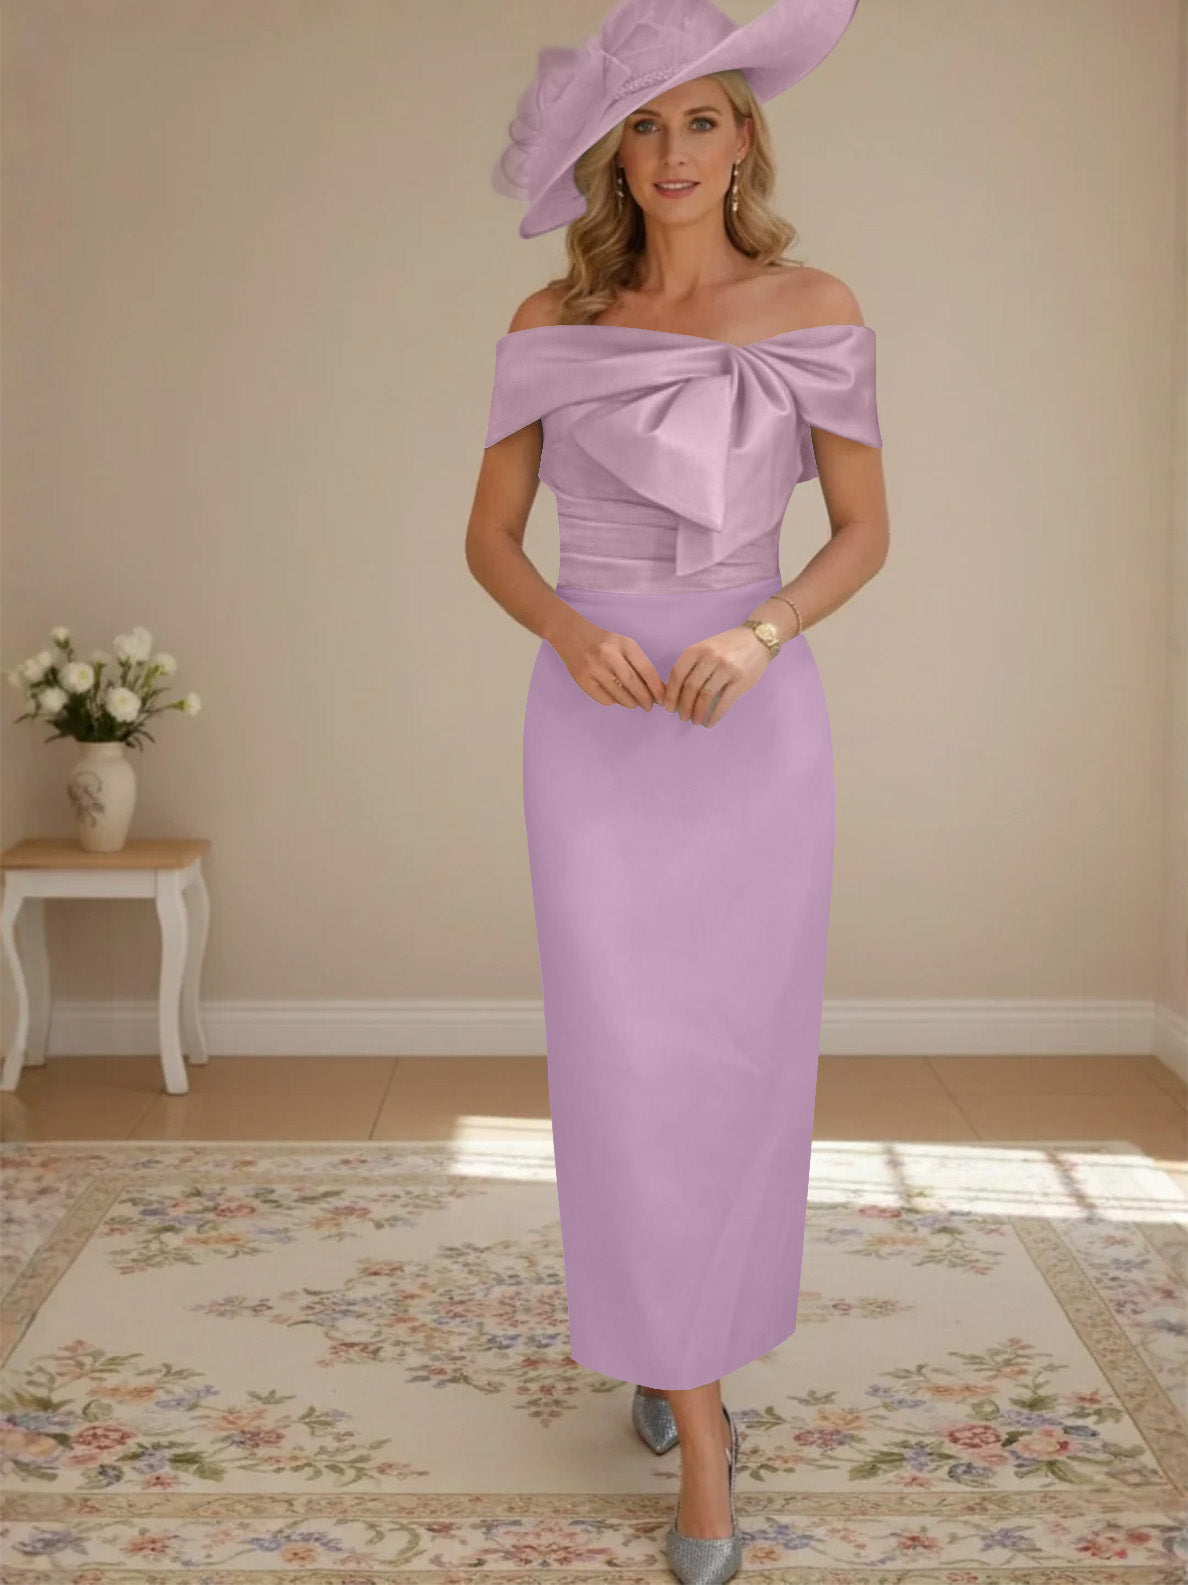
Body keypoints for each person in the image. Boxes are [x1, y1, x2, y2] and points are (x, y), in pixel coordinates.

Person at [466, 2, 888, 1580]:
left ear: (746, 136)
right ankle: (697, 1417)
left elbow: (863, 530)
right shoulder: (549, 316)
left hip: (750, 721)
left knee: (736, 1062)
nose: (672, 153)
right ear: (610, 150)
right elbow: (489, 535)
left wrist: (761, 630)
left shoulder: (815, 307)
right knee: (623, 1063)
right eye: (642, 124)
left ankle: (684, 1353)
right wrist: (568, 628)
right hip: (595, 728)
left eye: (700, 118)